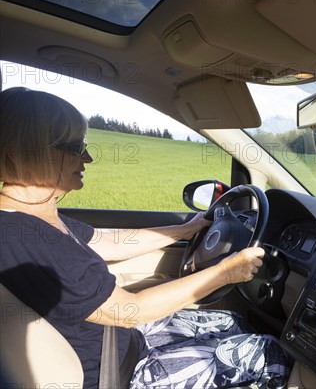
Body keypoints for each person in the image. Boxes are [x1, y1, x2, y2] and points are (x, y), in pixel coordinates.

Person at [0, 87, 290, 388]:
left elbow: (104, 241)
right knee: (271, 354)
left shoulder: (33, 216)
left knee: (236, 322)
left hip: (123, 342)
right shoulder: (23, 238)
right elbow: (130, 310)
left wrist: (183, 230)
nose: (87, 157)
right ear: (21, 154)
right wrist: (225, 272)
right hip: (118, 372)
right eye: (74, 147)